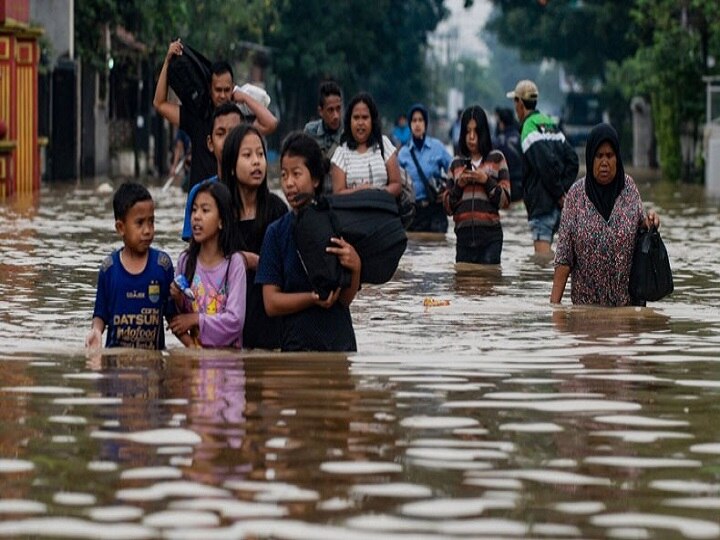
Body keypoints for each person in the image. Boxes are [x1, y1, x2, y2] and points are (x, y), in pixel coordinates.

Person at [257, 132, 361, 352]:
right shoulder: (276, 233)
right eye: (284, 175)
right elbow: (271, 303)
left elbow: (344, 300)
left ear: (315, 179)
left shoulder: (337, 223)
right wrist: (312, 298)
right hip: (297, 347)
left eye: (296, 174)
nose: (289, 183)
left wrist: (356, 266)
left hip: (339, 344)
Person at [550, 123, 660, 306]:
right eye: (598, 156)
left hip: (625, 311)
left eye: (609, 156)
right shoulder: (575, 196)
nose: (604, 163)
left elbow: (640, 231)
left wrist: (650, 223)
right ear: (590, 158)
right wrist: (555, 308)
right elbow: (563, 259)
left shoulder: (629, 189)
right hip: (586, 311)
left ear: (617, 158)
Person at [153, 39, 278, 190]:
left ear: (232, 88)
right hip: (201, 201)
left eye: (227, 90)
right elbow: (159, 104)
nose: (222, 95)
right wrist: (167, 62)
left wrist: (244, 97)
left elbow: (271, 123)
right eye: (218, 90)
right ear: (210, 89)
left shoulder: (240, 121)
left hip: (230, 199)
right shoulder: (197, 118)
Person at [220, 124, 288, 349]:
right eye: (247, 155)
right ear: (231, 166)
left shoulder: (277, 210)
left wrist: (259, 263)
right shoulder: (220, 212)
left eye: (260, 154)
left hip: (269, 323)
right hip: (228, 322)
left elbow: (290, 269)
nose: (257, 161)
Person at [85, 183, 176, 350]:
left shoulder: (162, 266)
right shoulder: (109, 269)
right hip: (115, 368)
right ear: (121, 228)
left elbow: (173, 317)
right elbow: (100, 314)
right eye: (140, 223)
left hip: (153, 368)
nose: (148, 230)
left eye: (151, 221)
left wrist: (193, 347)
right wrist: (96, 331)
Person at [506, 79, 579, 255]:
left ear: (520, 103)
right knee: (562, 258)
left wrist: (558, 194)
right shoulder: (549, 123)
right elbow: (573, 160)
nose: (515, 107)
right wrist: (564, 191)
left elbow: (544, 163)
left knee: (541, 263)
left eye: (515, 101)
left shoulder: (528, 129)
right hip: (560, 206)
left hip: (542, 206)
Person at [171, 181, 247, 348]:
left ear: (222, 221)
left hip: (228, 363)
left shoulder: (234, 264)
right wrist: (177, 298)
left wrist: (196, 319)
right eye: (194, 210)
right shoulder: (185, 260)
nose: (196, 216)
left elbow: (235, 321)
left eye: (205, 210)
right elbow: (177, 318)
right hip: (195, 361)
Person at [443, 106, 511, 264]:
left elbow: (506, 201)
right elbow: (447, 207)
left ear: (484, 132)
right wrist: (459, 186)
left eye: (476, 131)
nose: (471, 137)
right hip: (463, 240)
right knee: (462, 285)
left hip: (490, 240)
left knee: (489, 285)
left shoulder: (497, 159)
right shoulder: (456, 163)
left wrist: (486, 181)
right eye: (467, 132)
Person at [180, 102, 244, 242]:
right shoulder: (199, 194)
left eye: (233, 133)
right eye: (221, 134)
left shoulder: (254, 191)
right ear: (210, 143)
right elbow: (193, 253)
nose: (228, 140)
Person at [330, 92, 402, 198]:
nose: (360, 123)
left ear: (372, 121)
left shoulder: (384, 144)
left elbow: (396, 185)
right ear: (349, 121)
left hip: (382, 211)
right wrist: (361, 191)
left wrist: (375, 194)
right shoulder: (341, 153)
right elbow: (338, 193)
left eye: (365, 117)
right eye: (356, 117)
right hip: (351, 213)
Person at [397, 103, 451, 233]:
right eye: (414, 120)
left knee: (437, 248)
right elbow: (397, 183)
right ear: (410, 124)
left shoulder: (437, 147)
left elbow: (454, 169)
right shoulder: (403, 153)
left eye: (420, 120)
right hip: (413, 213)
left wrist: (448, 190)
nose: (417, 124)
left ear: (425, 124)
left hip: (435, 211)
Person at [493, 107, 523, 203]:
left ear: (501, 123)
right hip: (521, 187)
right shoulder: (521, 138)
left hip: (504, 188)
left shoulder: (497, 142)